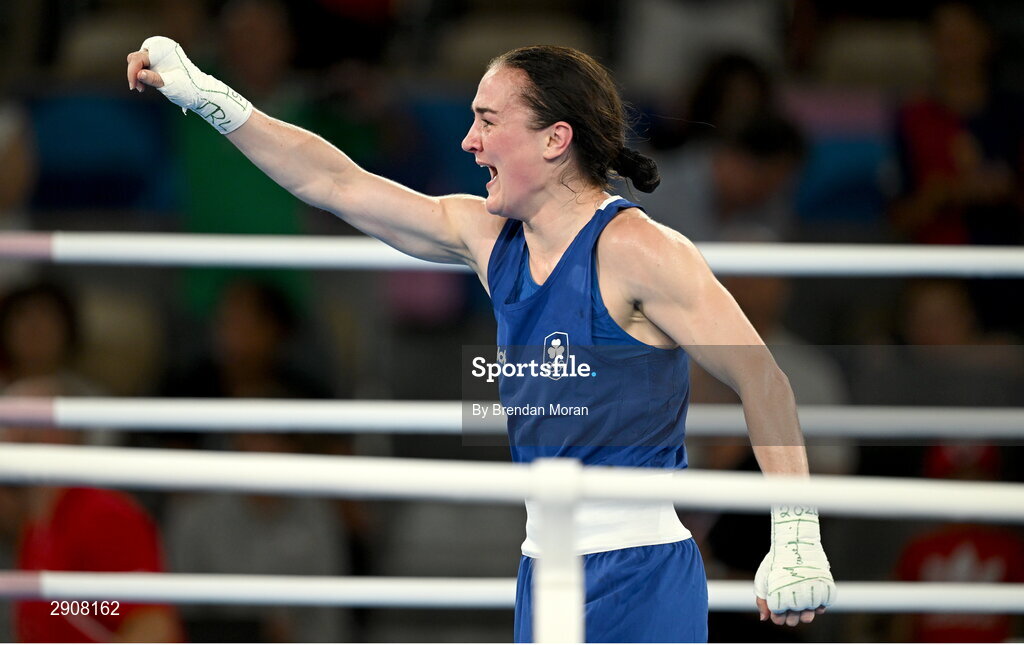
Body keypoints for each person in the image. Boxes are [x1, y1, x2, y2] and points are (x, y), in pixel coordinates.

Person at [126, 36, 835, 641]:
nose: (468, 141)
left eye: (488, 120)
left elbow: (763, 376)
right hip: (541, 564)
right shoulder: (487, 236)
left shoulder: (641, 250)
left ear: (556, 139)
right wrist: (213, 99)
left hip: (639, 565)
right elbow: (333, 181)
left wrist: (796, 529)